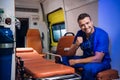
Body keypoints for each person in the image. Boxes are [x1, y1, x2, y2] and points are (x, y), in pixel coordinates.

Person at [60, 13, 111, 80]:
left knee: (88, 68)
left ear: (92, 22)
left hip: (102, 62)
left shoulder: (102, 34)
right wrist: (76, 44)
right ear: (79, 26)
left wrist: (76, 61)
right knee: (63, 59)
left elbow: (98, 58)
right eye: (82, 25)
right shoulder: (80, 33)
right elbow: (69, 54)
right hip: (86, 59)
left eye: (87, 23)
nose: (86, 26)